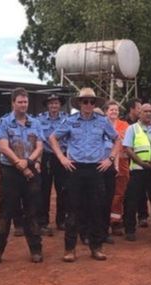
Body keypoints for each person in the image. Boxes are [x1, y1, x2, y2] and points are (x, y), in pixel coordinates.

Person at [49, 88, 119, 262]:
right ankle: (70, 249)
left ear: (95, 104)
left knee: (96, 209)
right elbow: (52, 138)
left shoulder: (103, 122)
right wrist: (61, 157)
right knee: (72, 210)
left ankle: (96, 248)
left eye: (92, 102)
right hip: (75, 169)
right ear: (79, 103)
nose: (88, 105)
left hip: (96, 170)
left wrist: (110, 159)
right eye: (85, 101)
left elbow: (118, 139)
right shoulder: (70, 121)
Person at [0, 88, 44, 264]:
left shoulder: (35, 123)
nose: (23, 105)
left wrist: (28, 162)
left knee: (32, 212)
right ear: (13, 103)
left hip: (30, 169)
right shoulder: (4, 122)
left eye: (25, 102)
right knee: (5, 212)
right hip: (10, 172)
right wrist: (20, 164)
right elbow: (4, 147)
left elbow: (39, 146)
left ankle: (36, 250)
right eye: (20, 102)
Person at [123, 103, 151, 241]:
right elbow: (128, 148)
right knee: (132, 200)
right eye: (145, 111)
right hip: (138, 170)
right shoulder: (132, 129)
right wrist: (141, 162)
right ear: (139, 113)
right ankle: (130, 229)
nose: (148, 113)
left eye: (150, 111)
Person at [37, 94, 69, 235]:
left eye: (56, 103)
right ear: (47, 105)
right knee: (44, 190)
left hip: (62, 156)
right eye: (51, 104)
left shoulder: (67, 119)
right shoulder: (40, 119)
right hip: (46, 157)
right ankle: (43, 222)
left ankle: (61, 221)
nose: (53, 106)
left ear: (60, 105)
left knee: (63, 190)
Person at [105, 101, 130, 238]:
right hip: (106, 163)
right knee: (105, 192)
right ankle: (104, 221)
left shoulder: (124, 125)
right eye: (111, 110)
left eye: (116, 110)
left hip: (122, 163)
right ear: (106, 112)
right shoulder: (102, 124)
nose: (114, 112)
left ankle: (115, 221)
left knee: (120, 193)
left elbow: (127, 143)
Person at [123, 98, 149, 227]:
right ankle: (126, 219)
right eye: (139, 108)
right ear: (132, 109)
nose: (141, 111)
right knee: (129, 192)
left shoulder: (145, 123)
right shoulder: (124, 123)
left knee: (143, 190)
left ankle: (143, 216)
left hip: (142, 164)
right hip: (126, 162)